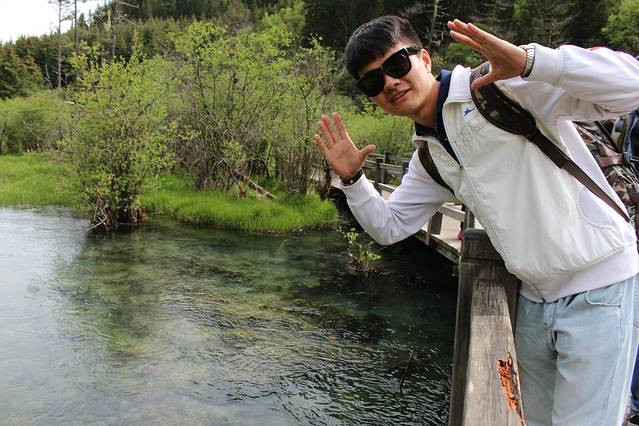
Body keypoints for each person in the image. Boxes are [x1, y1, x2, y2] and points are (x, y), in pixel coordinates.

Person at [313, 15, 639, 426]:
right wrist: (353, 180)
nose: (390, 83)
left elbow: (632, 86)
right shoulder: (430, 156)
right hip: (532, 298)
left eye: (396, 64)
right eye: (373, 82)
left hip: (600, 283)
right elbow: (390, 227)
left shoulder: (498, 85)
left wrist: (532, 62)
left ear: (424, 59)